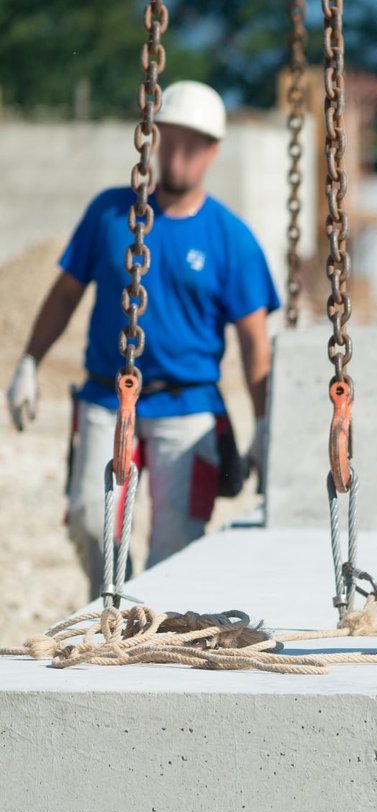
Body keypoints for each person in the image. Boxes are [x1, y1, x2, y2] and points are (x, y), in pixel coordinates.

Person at [5, 80, 280, 598]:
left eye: (191, 146)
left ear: (212, 152)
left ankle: (155, 624)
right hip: (107, 397)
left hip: (188, 405)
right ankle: (113, 605)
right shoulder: (111, 216)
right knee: (91, 519)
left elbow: (254, 342)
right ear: (153, 141)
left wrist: (265, 424)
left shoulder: (231, 238)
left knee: (175, 546)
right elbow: (64, 295)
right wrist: (29, 363)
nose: (177, 157)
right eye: (169, 142)